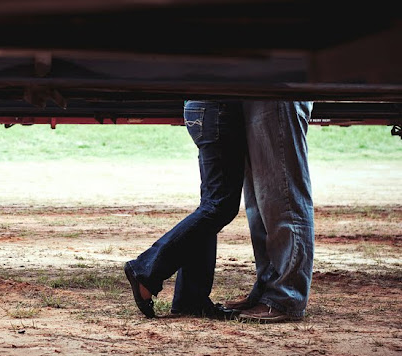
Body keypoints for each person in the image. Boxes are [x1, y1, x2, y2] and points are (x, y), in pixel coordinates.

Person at [124, 100, 245, 319]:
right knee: (220, 206)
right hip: (220, 106)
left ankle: (191, 298)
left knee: (212, 205)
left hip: (205, 107)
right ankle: (146, 271)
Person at [228, 101, 315, 323]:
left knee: (283, 193)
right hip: (260, 88)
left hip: (278, 89)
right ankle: (269, 288)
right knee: (262, 198)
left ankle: (287, 295)